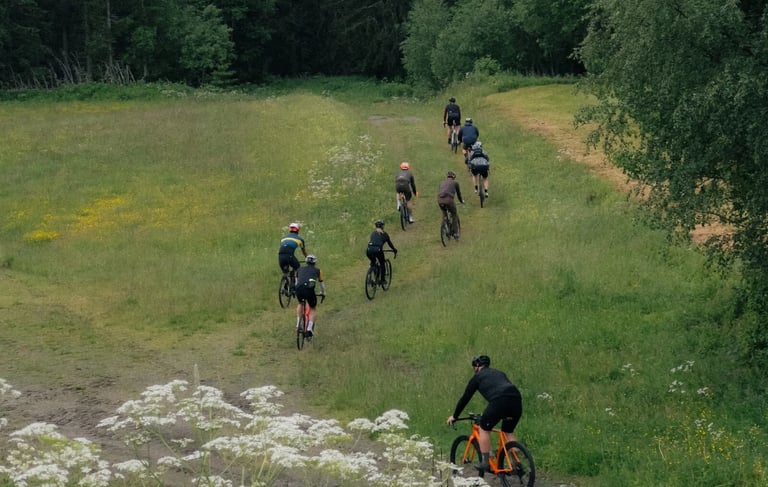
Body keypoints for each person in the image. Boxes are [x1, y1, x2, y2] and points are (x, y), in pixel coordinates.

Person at [447, 355, 523, 472]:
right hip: (516, 400)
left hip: (499, 400)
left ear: (477, 366)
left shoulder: (477, 377)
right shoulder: (499, 373)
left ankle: (485, 463)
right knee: (508, 431)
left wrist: (455, 416)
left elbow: (465, 398)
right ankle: (517, 462)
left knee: (484, 428)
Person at [294, 254, 325, 338]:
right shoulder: (318, 271)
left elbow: (296, 283)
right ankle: (309, 329)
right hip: (309, 290)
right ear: (315, 263)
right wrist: (323, 293)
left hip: (299, 289)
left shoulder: (299, 269)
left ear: (306, 262)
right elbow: (321, 284)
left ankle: (298, 324)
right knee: (312, 308)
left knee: (300, 303)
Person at [437, 171, 464, 238]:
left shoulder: (441, 183)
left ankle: (445, 225)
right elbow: (459, 194)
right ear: (454, 177)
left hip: (440, 200)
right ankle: (456, 233)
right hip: (449, 200)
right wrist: (461, 201)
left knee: (444, 213)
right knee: (454, 214)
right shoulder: (455, 183)